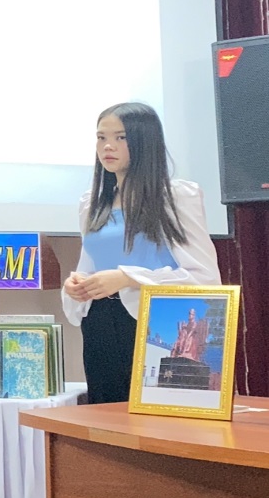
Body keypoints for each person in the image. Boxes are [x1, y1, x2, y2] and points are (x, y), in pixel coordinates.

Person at [62, 102, 221, 405]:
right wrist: (77, 285)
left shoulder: (176, 197)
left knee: (157, 419)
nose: (108, 146)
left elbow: (204, 277)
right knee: (105, 413)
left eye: (120, 137)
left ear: (144, 141)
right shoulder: (92, 202)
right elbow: (89, 265)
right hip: (99, 323)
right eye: (101, 137)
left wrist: (128, 278)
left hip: (152, 324)